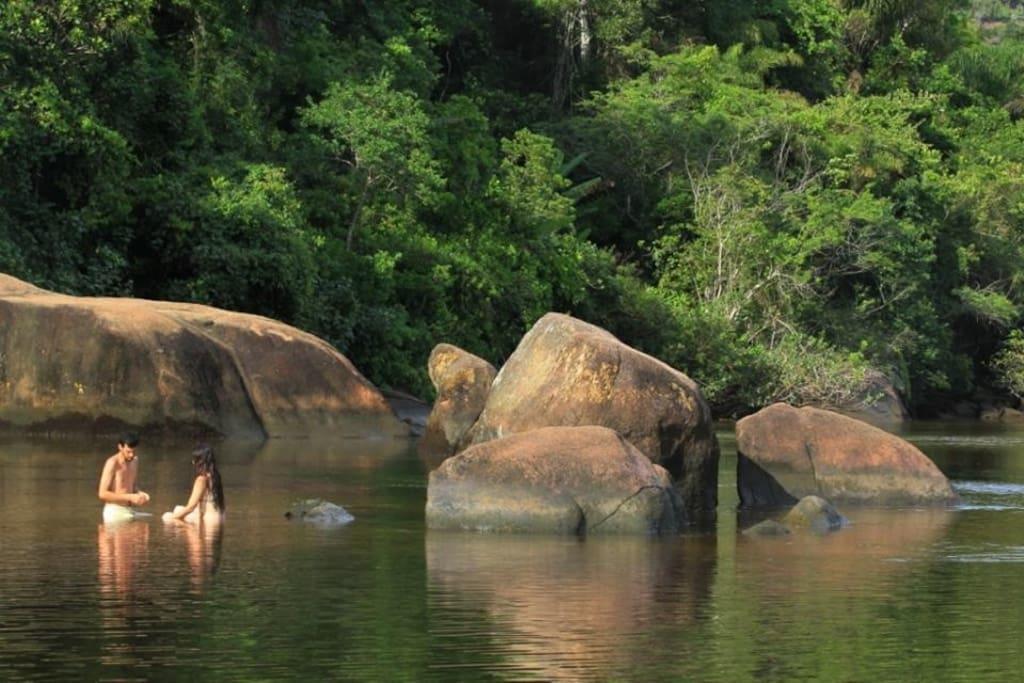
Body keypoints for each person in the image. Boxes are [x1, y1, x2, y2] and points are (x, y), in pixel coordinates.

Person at [162, 444, 226, 525]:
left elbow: (191, 507)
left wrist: (172, 517)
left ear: (200, 461)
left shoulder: (201, 479)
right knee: (179, 508)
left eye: (194, 460)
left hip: (208, 521)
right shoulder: (216, 476)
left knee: (167, 515)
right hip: (220, 519)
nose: (193, 462)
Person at [98, 432, 150, 523]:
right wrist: (130, 497)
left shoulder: (135, 461)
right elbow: (102, 494)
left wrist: (141, 494)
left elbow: (131, 486)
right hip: (114, 511)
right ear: (120, 447)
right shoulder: (112, 463)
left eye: (134, 451)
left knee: (155, 520)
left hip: (129, 510)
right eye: (128, 452)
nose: (131, 455)